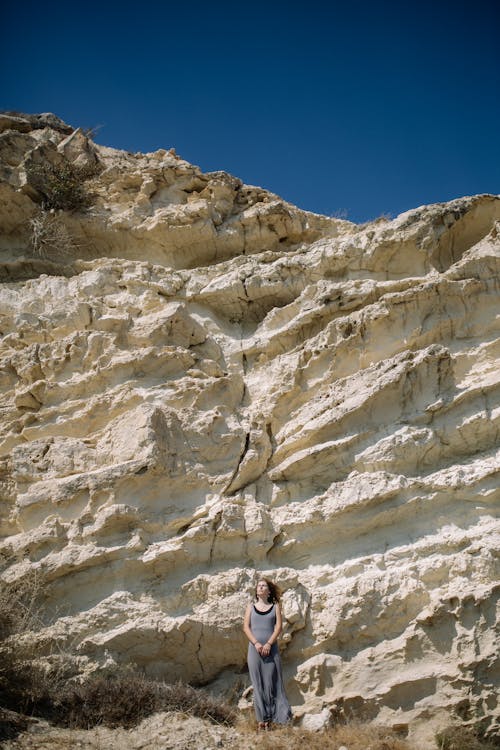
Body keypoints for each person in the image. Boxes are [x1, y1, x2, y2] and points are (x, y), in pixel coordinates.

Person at [243, 577, 292, 730]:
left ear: (269, 591)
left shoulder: (275, 606)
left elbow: (278, 628)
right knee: (258, 684)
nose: (261, 588)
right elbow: (246, 627)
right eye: (259, 586)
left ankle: (277, 719)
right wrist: (257, 643)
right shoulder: (250, 607)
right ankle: (262, 720)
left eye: (264, 586)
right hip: (254, 650)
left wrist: (269, 643)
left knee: (273, 683)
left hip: (271, 650)